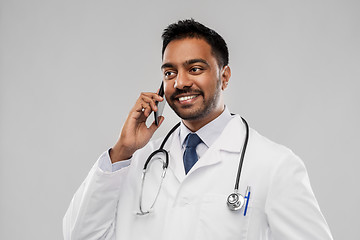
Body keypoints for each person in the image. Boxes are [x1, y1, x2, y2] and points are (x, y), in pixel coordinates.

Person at [63, 19, 333, 240]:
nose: (180, 82)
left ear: (223, 76)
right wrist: (122, 151)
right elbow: (79, 236)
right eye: (169, 73)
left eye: (195, 68)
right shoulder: (136, 162)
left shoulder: (275, 166)